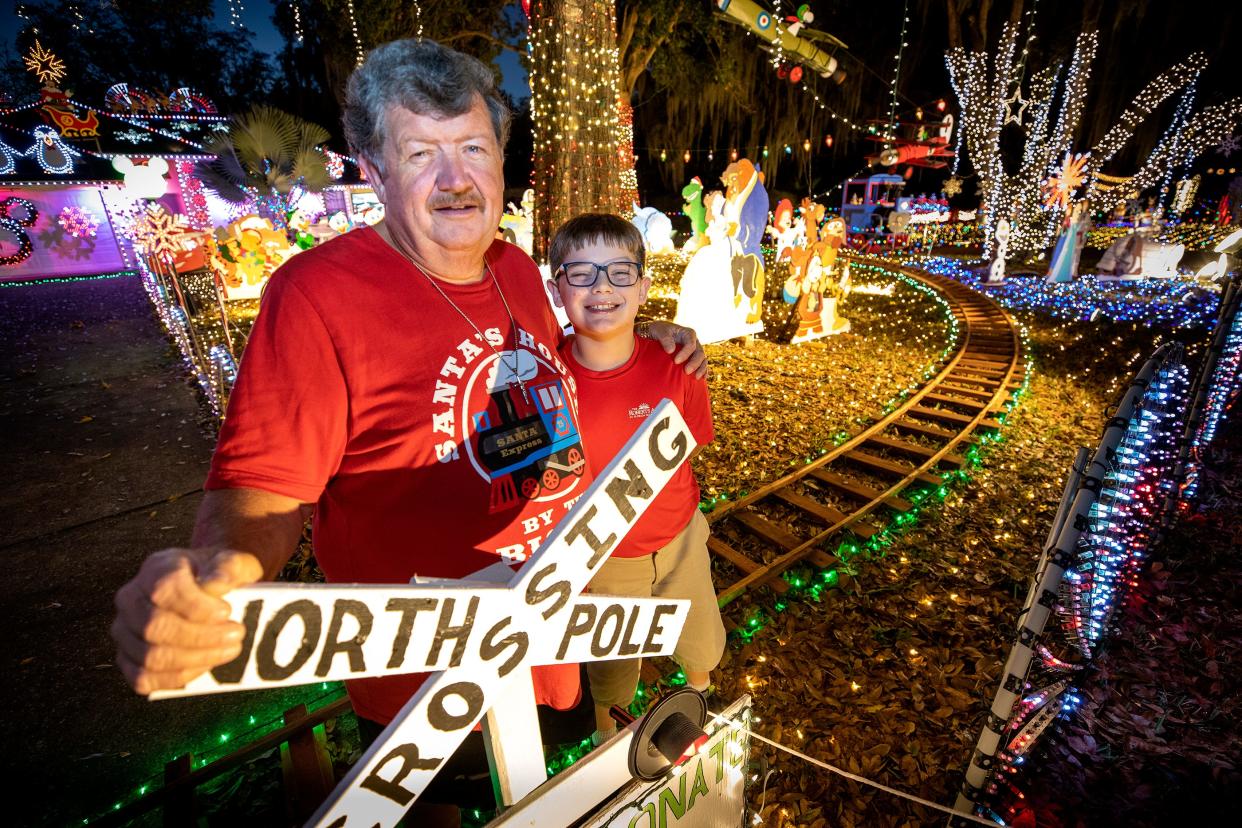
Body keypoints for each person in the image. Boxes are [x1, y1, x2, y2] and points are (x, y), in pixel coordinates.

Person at [110, 39, 704, 824]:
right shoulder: (317, 297)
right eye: (421, 152)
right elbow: (263, 492)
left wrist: (650, 331)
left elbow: (564, 366)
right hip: (429, 684)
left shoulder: (518, 272)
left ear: (500, 161)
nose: (455, 179)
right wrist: (219, 574)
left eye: (473, 148)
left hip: (553, 639)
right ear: (374, 168)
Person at [545, 214, 725, 745]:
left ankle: (699, 713)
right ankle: (607, 750)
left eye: (620, 272)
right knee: (611, 673)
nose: (601, 286)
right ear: (558, 289)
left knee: (701, 644)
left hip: (680, 539)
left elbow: (691, 447)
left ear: (644, 289)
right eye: (580, 273)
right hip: (604, 558)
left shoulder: (679, 367)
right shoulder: (551, 380)